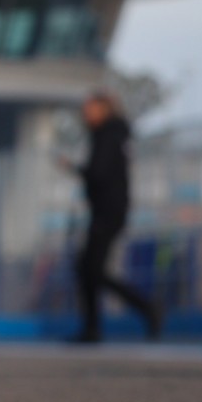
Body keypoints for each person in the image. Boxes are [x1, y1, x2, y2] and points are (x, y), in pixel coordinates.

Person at [64, 90, 161, 343]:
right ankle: (96, 327)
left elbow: (99, 173)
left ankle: (144, 307)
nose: (86, 114)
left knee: (91, 269)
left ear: (103, 109)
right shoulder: (113, 134)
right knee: (89, 270)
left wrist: (75, 169)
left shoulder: (107, 135)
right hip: (110, 210)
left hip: (108, 212)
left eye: (90, 109)